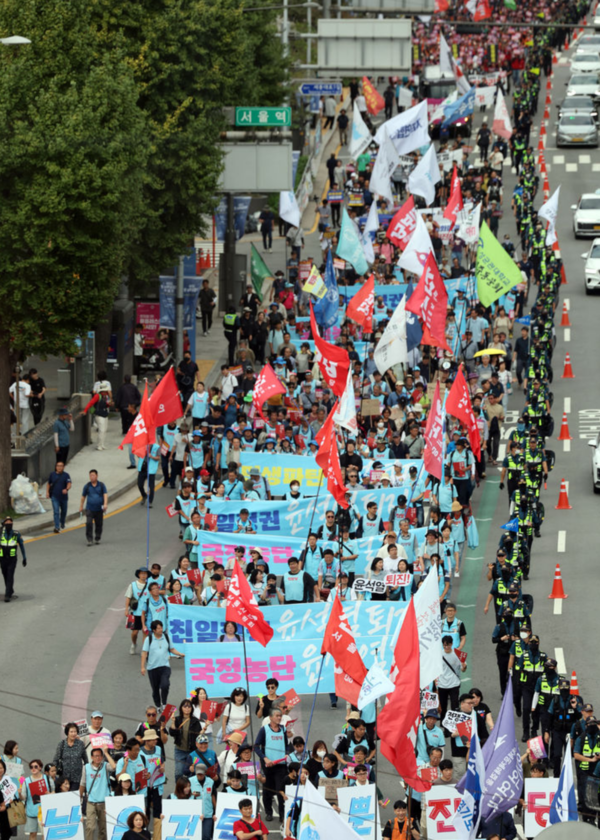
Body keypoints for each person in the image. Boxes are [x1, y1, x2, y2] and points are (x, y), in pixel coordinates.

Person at [254, 708, 290, 823]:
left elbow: (286, 745)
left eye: (280, 716)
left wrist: (287, 753)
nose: (279, 718)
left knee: (281, 790)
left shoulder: (283, 729)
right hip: (268, 765)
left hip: (281, 766)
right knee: (267, 790)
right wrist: (265, 758)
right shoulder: (264, 730)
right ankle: (269, 812)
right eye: (277, 716)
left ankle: (282, 814)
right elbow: (256, 746)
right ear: (270, 717)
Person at [141, 620, 185, 710]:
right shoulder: (148, 639)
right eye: (158, 628)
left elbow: (171, 649)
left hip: (165, 666)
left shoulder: (166, 637)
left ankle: (164, 703)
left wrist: (180, 654)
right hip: (152, 668)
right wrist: (142, 667)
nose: (161, 629)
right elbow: (144, 653)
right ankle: (157, 705)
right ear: (154, 630)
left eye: (161, 627)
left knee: (165, 685)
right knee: (155, 689)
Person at [79, 746, 115, 840]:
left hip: (104, 803)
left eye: (100, 756)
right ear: (91, 757)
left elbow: (114, 767)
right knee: (90, 827)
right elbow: (83, 783)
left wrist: (106, 753)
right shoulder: (86, 767)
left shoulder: (106, 766)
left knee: (103, 829)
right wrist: (79, 799)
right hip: (91, 802)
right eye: (95, 756)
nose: (98, 758)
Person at [53, 723, 88, 791]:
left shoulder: (80, 744)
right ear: (67, 733)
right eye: (71, 731)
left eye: (75, 731)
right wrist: (54, 773)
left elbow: (85, 759)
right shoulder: (61, 744)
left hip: (77, 777)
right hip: (64, 778)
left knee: (74, 797)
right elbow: (56, 759)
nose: (73, 734)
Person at [0, 517, 27, 603]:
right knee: (5, 575)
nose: (9, 524)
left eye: (10, 523)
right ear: (4, 524)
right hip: (3, 558)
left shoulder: (16, 533)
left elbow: (22, 545)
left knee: (10, 575)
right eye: (7, 523)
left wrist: (24, 558)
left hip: (12, 559)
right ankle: (10, 590)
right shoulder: (1, 533)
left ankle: (7, 595)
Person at [79, 470, 108, 547]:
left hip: (99, 509)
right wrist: (81, 506)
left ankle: (97, 538)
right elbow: (83, 497)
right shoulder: (87, 486)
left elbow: (105, 494)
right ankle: (89, 539)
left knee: (99, 524)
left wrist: (105, 504)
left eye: (93, 475)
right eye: (90, 475)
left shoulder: (101, 485)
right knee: (89, 523)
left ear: (97, 476)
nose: (92, 477)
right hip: (89, 509)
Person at [47, 461, 71, 534]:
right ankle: (57, 527)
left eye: (61, 466)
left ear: (63, 467)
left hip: (63, 497)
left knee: (63, 512)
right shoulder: (52, 475)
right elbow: (48, 484)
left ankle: (62, 522)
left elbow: (69, 484)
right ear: (56, 467)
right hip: (55, 496)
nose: (59, 467)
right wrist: (47, 492)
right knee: (56, 511)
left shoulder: (66, 475)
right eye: (58, 466)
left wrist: (66, 489)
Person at [137, 441, 161, 507]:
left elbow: (158, 458)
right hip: (142, 469)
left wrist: (151, 456)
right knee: (139, 485)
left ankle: (150, 501)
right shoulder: (143, 445)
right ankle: (144, 496)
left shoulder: (157, 447)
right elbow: (138, 456)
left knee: (151, 487)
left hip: (151, 470)